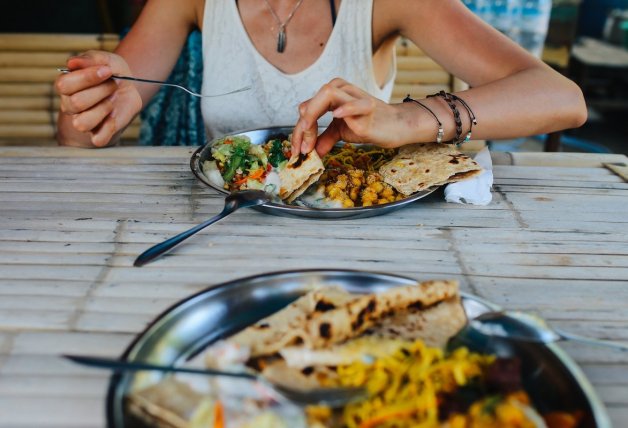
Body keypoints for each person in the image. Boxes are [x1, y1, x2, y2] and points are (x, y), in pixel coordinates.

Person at [55, 0, 587, 158]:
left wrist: (406, 118)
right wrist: (91, 99)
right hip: (224, 230)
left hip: (355, 228)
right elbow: (82, 140)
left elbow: (560, 98)